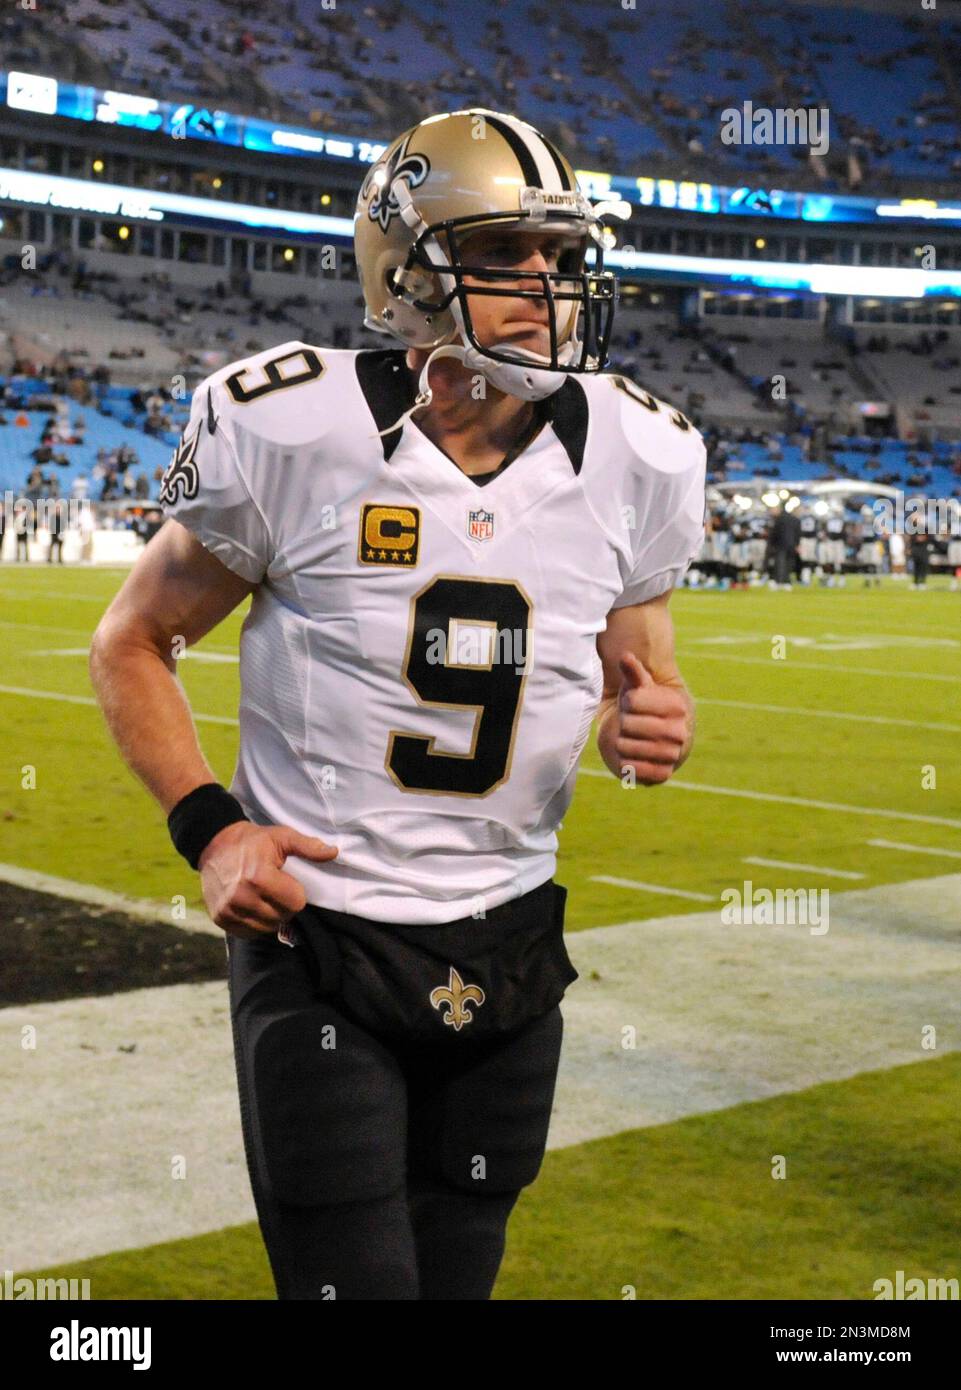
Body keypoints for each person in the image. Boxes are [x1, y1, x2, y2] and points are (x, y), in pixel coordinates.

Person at [89, 109, 705, 1302]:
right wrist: (212, 828)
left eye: (560, 258)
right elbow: (134, 639)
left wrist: (652, 730)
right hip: (324, 938)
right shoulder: (292, 428)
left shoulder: (643, 453)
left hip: (514, 940)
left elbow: (647, 681)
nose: (548, 286)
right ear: (409, 270)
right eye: (506, 255)